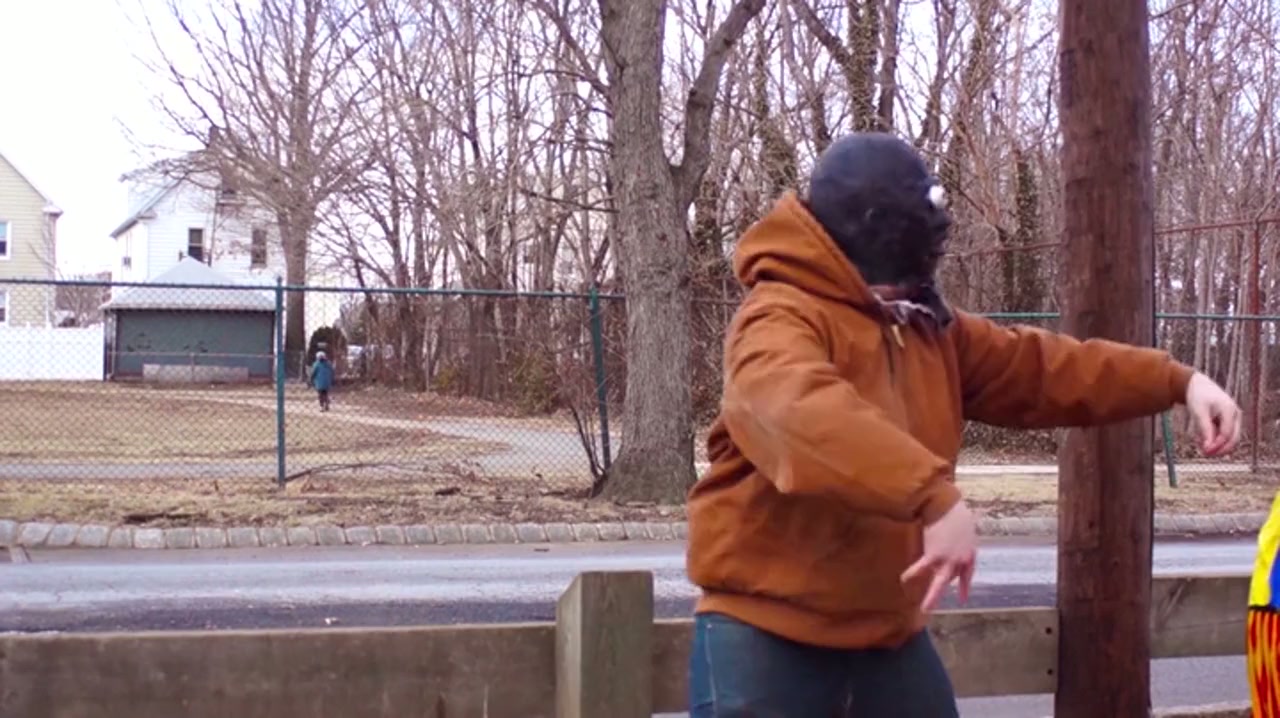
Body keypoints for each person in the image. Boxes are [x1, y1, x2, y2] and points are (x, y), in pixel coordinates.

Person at [685, 131, 1242, 717]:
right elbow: (795, 411)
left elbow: (1041, 368)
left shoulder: (922, 325)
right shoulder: (778, 317)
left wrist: (1177, 381)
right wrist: (930, 496)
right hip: (768, 636)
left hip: (886, 639)